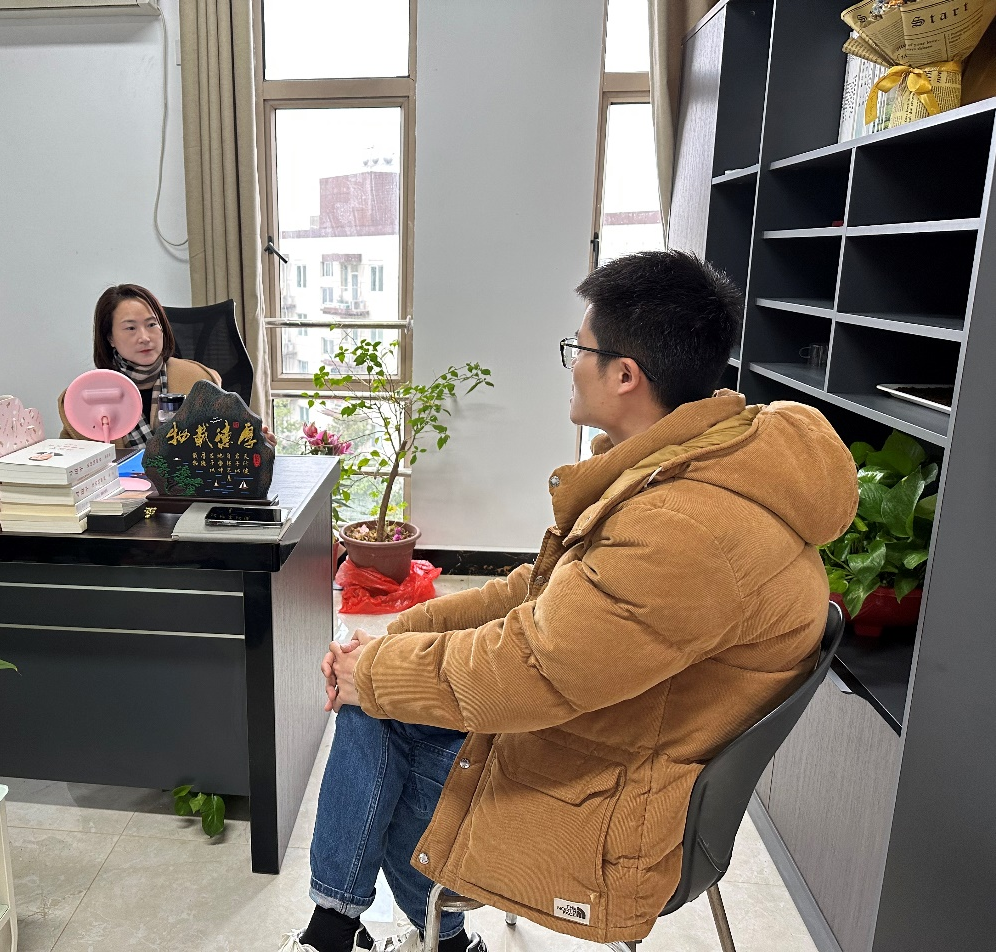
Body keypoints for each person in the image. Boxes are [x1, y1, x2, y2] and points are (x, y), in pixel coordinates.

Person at [281, 250, 859, 952]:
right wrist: (397, 636)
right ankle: (374, 932)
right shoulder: (703, 467)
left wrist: (372, 672)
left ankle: (353, 931)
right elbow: (541, 592)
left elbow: (530, 669)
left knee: (377, 708)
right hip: (623, 730)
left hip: (620, 808)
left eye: (578, 349)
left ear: (625, 375)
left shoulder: (682, 527)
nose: (571, 364)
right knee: (380, 692)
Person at [58, 284, 221, 447]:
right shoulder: (82, 398)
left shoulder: (199, 381)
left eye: (151, 325)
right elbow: (69, 456)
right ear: (110, 338)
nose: (144, 338)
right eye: (131, 328)